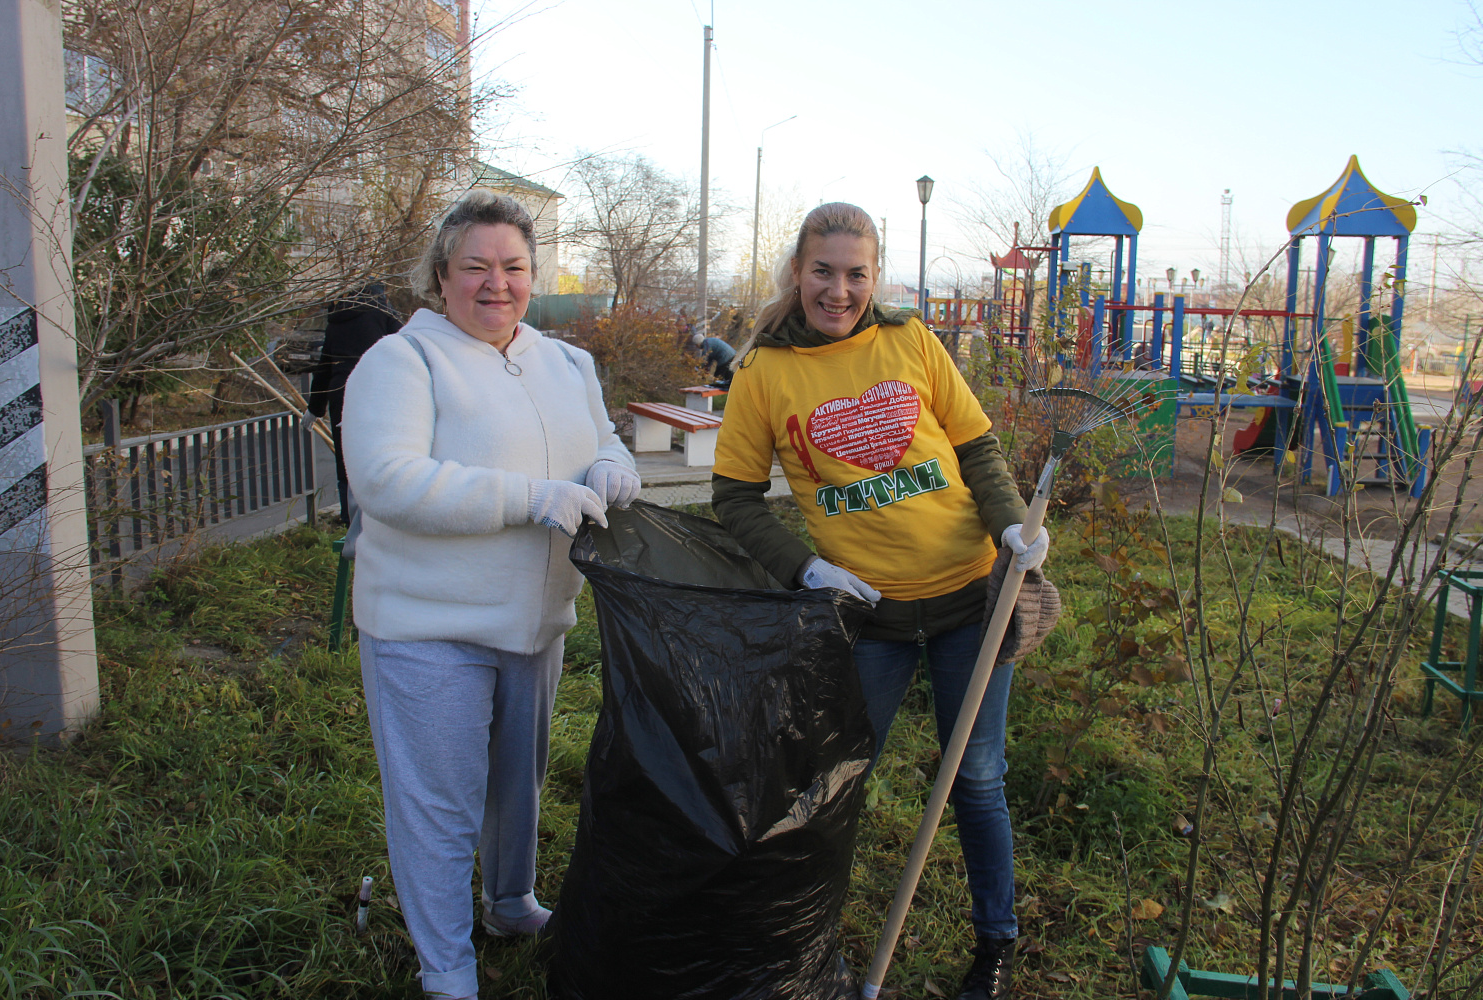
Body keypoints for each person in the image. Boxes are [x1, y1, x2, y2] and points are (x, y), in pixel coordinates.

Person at [710, 202, 1048, 1000]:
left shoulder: (911, 340)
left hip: (971, 599)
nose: (839, 290)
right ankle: (803, 944)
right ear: (797, 271)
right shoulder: (765, 373)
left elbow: (976, 447)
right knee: (833, 782)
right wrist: (804, 570)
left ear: (876, 276)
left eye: (856, 273)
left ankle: (995, 945)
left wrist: (1009, 528)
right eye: (823, 272)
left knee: (978, 778)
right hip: (870, 618)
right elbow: (735, 495)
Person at [341, 190, 640, 1000]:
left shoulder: (565, 362)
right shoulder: (403, 363)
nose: (495, 283)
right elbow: (386, 479)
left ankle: (510, 905)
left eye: (512, 267)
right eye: (475, 266)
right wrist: (528, 496)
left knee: (518, 784)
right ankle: (447, 968)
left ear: (532, 276)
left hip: (536, 624)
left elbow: (605, 439)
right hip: (428, 626)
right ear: (442, 276)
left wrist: (614, 466)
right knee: (438, 803)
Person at [302, 281, 402, 524]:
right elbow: (405, 349)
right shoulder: (384, 314)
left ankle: (349, 517)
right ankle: (380, 514)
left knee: (346, 457)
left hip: (342, 392)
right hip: (377, 390)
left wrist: (315, 408)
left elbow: (323, 367)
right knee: (382, 453)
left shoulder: (337, 319)